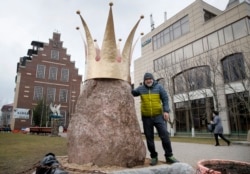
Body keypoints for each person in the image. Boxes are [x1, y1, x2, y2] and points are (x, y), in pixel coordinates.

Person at [132, 72, 179, 165]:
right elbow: (133, 93)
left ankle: (169, 156)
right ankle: (154, 157)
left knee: (165, 136)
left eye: (150, 79)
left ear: (152, 79)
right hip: (146, 118)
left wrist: (166, 111)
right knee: (149, 138)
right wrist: (127, 85)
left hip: (158, 116)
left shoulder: (159, 87)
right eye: (146, 79)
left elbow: (165, 98)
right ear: (144, 81)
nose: (148, 80)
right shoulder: (141, 89)